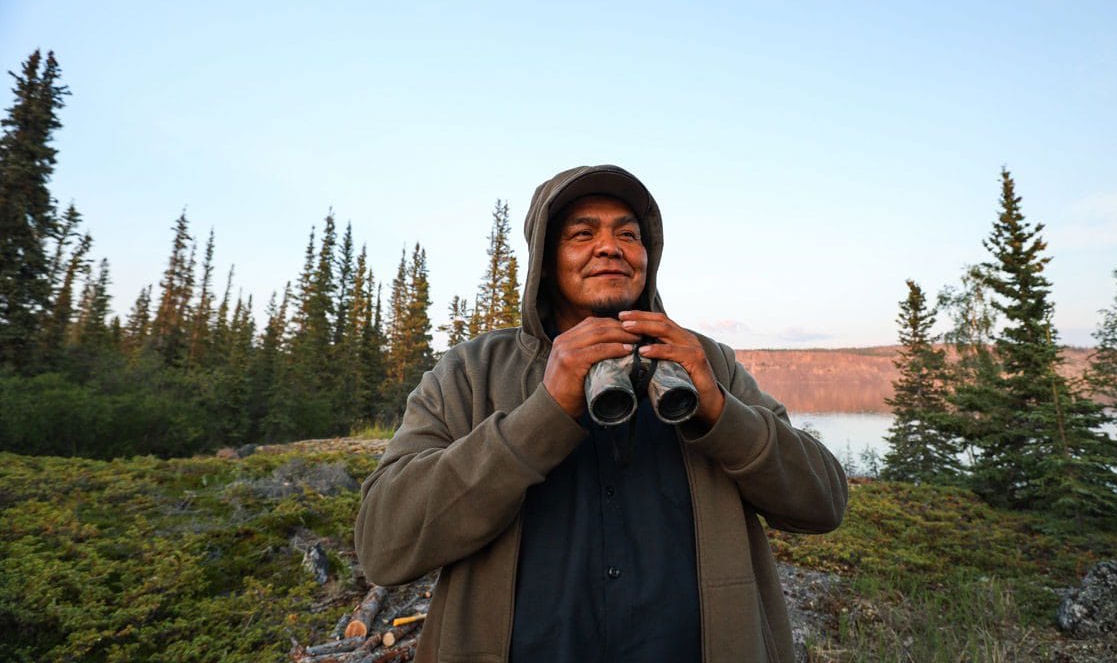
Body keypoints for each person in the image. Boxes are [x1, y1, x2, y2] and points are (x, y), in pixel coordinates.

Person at [355, 164, 848, 663]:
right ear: (545, 261)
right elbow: (383, 544)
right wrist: (541, 418)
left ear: (646, 258)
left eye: (628, 234)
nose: (609, 247)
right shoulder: (471, 373)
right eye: (582, 233)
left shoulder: (705, 362)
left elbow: (823, 504)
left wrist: (719, 411)